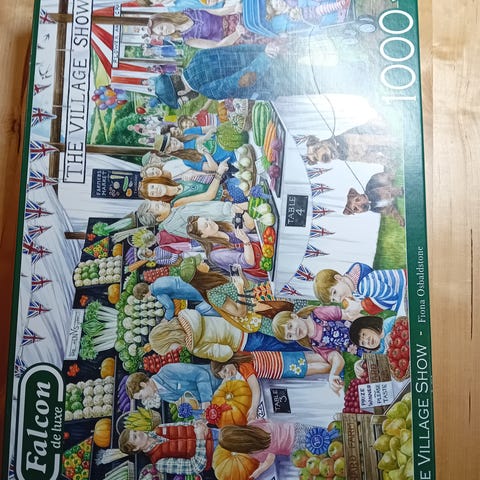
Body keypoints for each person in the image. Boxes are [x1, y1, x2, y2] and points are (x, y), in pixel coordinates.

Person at [210, 350, 339, 420]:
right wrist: (224, 382)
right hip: (281, 356)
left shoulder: (243, 367)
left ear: (226, 361)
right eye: (224, 375)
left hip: (282, 368)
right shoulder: (240, 355)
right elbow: (227, 380)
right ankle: (334, 356)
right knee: (309, 359)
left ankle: (335, 366)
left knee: (313, 369)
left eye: (225, 370)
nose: (228, 375)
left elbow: (255, 388)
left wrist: (253, 408)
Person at [146, 308, 309, 362]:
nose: (173, 351)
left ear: (169, 340)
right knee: (281, 330)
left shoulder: (195, 347)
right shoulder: (188, 316)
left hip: (244, 342)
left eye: (169, 349)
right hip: (243, 323)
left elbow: (225, 353)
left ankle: (310, 346)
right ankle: (309, 331)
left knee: (284, 344)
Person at [218, 418, 340, 478]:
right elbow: (268, 420)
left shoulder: (253, 451)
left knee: (323, 452)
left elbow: (270, 459)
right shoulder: (253, 424)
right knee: (322, 435)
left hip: (294, 446)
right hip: (294, 428)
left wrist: (258, 472)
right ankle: (340, 434)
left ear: (236, 447)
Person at [186, 215, 267, 280]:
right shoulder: (216, 255)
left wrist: (241, 211)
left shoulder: (223, 227)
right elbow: (249, 262)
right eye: (206, 225)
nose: (210, 222)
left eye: (207, 219)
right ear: (203, 236)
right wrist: (246, 241)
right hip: (263, 266)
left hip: (265, 247)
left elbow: (248, 227)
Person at [118, 420, 214, 475]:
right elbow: (195, 467)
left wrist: (197, 423)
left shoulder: (159, 428)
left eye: (135, 431)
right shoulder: (159, 463)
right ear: (135, 448)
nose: (139, 433)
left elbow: (186, 424)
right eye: (135, 437)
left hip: (212, 432)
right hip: (214, 455)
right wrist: (200, 438)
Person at [313, 262, 407, 313]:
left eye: (334, 292)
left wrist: (360, 306)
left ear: (338, 278)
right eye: (333, 300)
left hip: (407, 289)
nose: (338, 299)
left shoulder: (364, 285)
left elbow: (392, 297)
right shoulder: (354, 289)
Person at [125, 365, 222, 410]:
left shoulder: (167, 371)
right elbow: (191, 403)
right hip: (219, 398)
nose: (144, 399)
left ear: (143, 384)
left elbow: (201, 374)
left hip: (220, 378)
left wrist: (205, 400)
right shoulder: (163, 395)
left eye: (141, 396)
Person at [138, 160, 227, 207]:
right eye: (152, 193)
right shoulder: (176, 202)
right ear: (155, 198)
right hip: (225, 199)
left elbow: (207, 178)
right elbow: (209, 196)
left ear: (156, 181)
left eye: (153, 186)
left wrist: (194, 173)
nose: (156, 190)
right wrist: (219, 173)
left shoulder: (176, 180)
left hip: (225, 184)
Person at [147, 10, 246, 50]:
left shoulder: (188, 10)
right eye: (161, 34)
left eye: (162, 28)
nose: (165, 32)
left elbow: (216, 10)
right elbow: (216, 46)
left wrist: (234, 9)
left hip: (234, 15)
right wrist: (237, 33)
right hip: (235, 36)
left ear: (165, 18)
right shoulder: (188, 39)